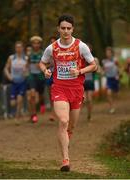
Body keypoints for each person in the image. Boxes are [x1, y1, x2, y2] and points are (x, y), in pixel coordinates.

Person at [39, 14, 97, 171]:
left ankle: (65, 140)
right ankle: (65, 160)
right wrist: (45, 71)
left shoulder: (81, 46)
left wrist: (79, 71)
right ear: (58, 29)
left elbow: (94, 66)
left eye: (68, 28)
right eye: (62, 28)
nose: (65, 31)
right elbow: (42, 63)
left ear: (73, 29)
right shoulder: (52, 48)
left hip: (77, 89)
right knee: (63, 121)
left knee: (70, 127)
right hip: (59, 88)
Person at [4, 41, 28, 121]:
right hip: (14, 82)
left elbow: (28, 71)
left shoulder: (26, 58)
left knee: (19, 99)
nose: (19, 49)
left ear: (22, 48)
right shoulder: (11, 58)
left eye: (20, 47)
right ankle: (20, 111)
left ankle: (17, 117)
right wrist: (9, 76)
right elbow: (6, 68)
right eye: (17, 47)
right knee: (13, 103)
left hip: (22, 82)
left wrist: (26, 73)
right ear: (15, 48)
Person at [27, 36, 45, 123]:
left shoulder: (43, 53)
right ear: (32, 44)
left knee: (40, 96)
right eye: (34, 43)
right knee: (33, 95)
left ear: (40, 44)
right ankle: (34, 115)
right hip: (32, 76)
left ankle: (42, 104)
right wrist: (26, 70)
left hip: (40, 77)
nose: (36, 44)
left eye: (38, 43)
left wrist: (42, 67)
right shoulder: (29, 53)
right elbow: (27, 63)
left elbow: (49, 64)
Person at [102, 46, 120, 114]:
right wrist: (103, 72)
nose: (108, 54)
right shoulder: (104, 61)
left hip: (115, 78)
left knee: (116, 94)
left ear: (111, 53)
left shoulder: (115, 60)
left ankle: (115, 104)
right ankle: (112, 107)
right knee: (108, 93)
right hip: (109, 79)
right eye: (107, 52)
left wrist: (118, 75)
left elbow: (118, 67)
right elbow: (104, 70)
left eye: (109, 52)